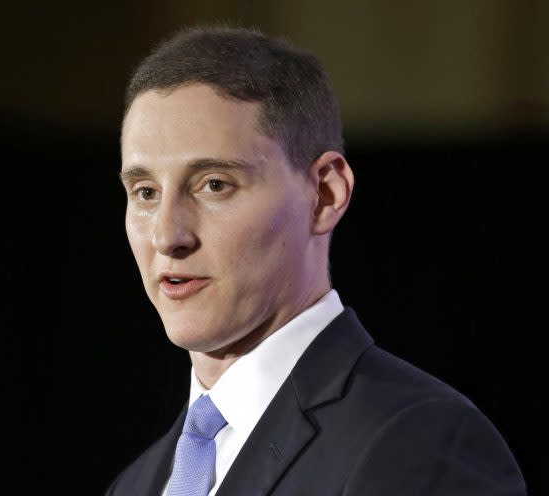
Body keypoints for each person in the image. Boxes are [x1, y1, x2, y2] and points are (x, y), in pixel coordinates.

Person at [106, 25, 526, 496]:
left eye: (214, 184)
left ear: (326, 194)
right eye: (145, 192)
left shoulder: (418, 441)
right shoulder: (136, 485)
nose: (167, 235)